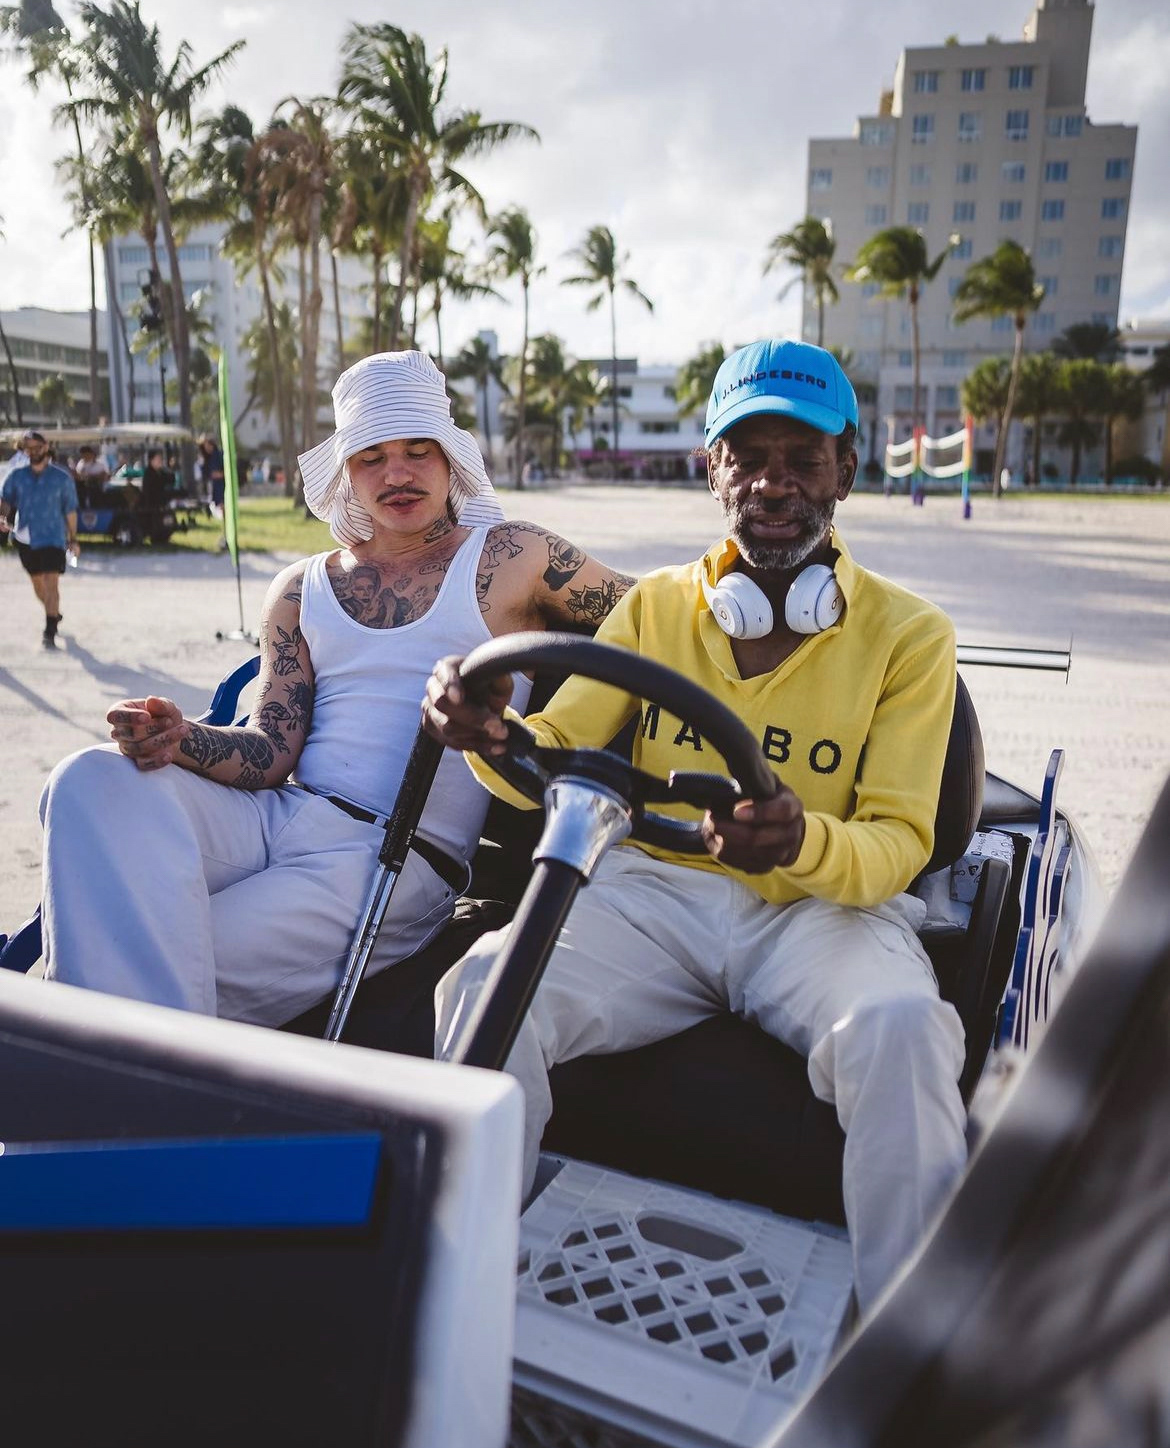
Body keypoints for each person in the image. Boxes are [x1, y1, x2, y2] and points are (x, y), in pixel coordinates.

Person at [424, 339, 967, 1314]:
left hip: (822, 913)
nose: (772, 483)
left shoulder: (911, 635)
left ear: (847, 468)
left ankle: (912, 1343)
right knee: (483, 985)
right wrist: (488, 735)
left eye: (801, 459)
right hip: (654, 896)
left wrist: (799, 842)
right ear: (712, 468)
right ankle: (458, 1295)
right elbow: (554, 754)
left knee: (902, 1029)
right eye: (746, 456)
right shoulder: (657, 606)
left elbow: (898, 843)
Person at [38, 350, 635, 1028]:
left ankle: (91, 1063)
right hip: (278, 815)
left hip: (395, 856)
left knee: (165, 952)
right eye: (371, 457)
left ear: (450, 461)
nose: (397, 474)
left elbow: (656, 613)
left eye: (417, 451)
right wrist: (182, 739)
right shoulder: (301, 587)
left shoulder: (512, 557)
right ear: (347, 473)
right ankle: (105, 1058)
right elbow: (269, 752)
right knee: (86, 780)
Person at [0, 429, 80, 648]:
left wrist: (73, 539)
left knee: (52, 583)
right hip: (25, 537)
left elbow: (70, 511)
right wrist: (2, 516)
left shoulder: (61, 478)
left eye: (37, 447)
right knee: (38, 585)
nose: (33, 451)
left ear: (46, 447)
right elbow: (5, 499)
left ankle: (49, 630)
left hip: (53, 537)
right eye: (29, 448)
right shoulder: (17, 475)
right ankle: (53, 612)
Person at [72, 443, 110, 508]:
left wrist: (92, 477)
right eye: (83, 454)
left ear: (91, 454)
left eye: (86, 454)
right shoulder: (80, 463)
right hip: (82, 490)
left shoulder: (99, 465)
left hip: (96, 490)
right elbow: (79, 475)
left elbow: (105, 476)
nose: (84, 456)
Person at [198, 434, 226, 517]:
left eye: (207, 445)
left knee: (222, 503)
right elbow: (205, 473)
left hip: (221, 485)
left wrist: (221, 474)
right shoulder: (205, 458)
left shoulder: (219, 454)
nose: (206, 448)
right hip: (212, 485)